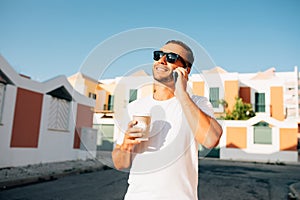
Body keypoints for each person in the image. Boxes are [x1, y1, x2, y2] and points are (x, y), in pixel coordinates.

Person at [112, 40, 223, 200]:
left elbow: (211, 139)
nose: (161, 60)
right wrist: (126, 147)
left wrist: (182, 94)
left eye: (171, 57)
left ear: (186, 69)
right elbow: (120, 163)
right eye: (158, 55)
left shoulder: (198, 103)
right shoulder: (134, 107)